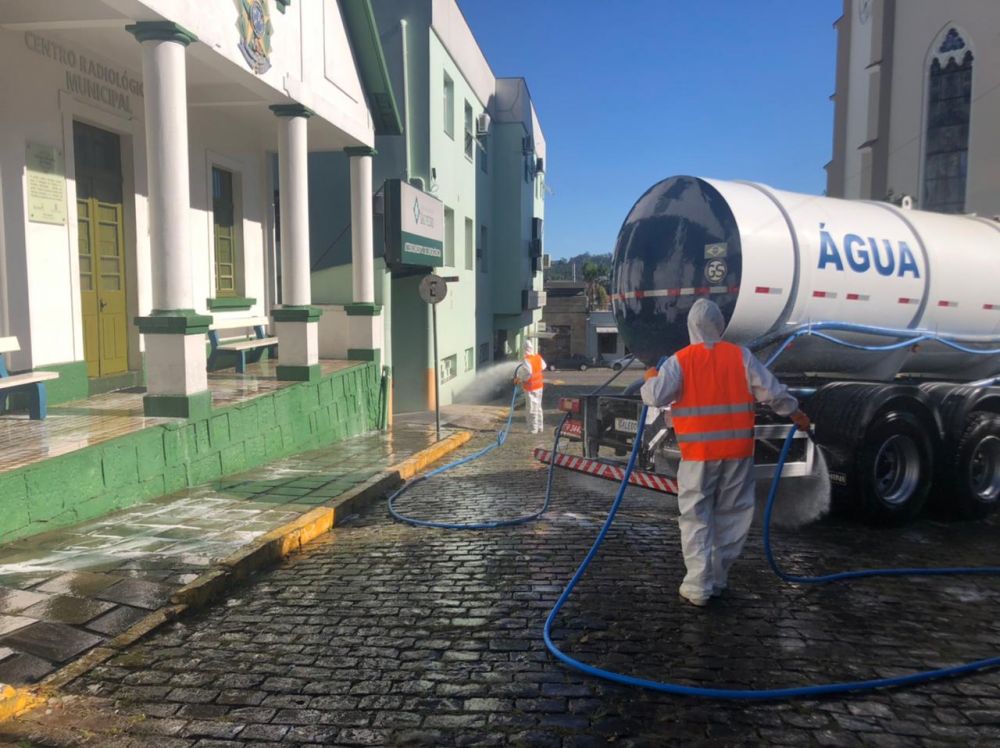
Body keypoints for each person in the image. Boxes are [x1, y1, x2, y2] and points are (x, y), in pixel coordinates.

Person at [640, 298, 811, 607]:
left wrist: (651, 377)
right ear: (720, 325)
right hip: (736, 453)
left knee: (696, 517)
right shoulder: (740, 357)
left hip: (699, 455)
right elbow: (772, 392)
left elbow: (655, 397)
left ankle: (697, 585)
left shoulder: (681, 360)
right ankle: (717, 579)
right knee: (732, 515)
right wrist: (795, 412)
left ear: (691, 326)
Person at [516, 339, 547, 434]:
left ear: (524, 349)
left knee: (531, 408)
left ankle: (533, 429)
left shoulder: (527, 360)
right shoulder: (537, 357)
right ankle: (540, 427)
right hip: (539, 386)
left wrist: (519, 378)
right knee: (538, 407)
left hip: (531, 387)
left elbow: (528, 373)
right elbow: (544, 366)